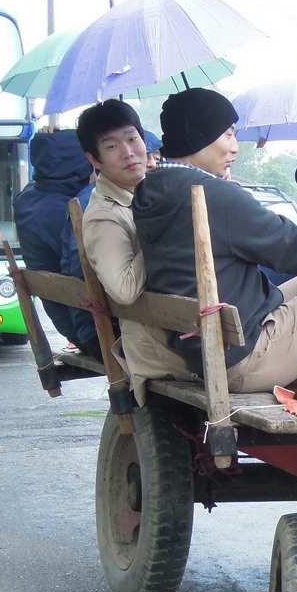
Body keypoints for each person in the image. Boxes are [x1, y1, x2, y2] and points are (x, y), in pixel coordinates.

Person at [135, 88, 297, 413]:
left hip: (201, 344)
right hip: (240, 356)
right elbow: (291, 247)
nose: (235, 147)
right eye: (227, 135)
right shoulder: (211, 195)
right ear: (200, 137)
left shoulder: (151, 189)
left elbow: (284, 240)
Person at [77, 99, 194, 406]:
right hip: (161, 347)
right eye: (112, 146)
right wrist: (162, 232)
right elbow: (125, 290)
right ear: (95, 158)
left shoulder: (154, 192)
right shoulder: (105, 215)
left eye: (132, 138)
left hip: (185, 327)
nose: (129, 152)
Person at [13, 128, 99, 358]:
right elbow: (83, 267)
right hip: (93, 330)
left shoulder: (29, 198)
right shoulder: (73, 205)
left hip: (70, 327)